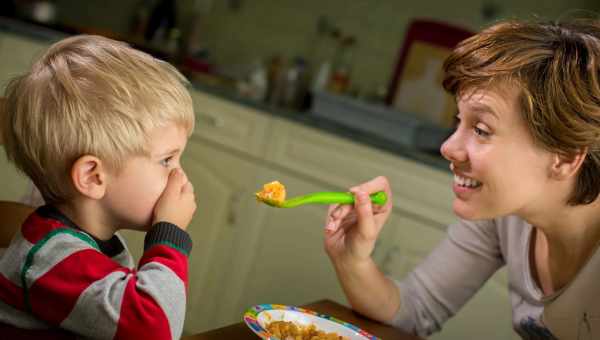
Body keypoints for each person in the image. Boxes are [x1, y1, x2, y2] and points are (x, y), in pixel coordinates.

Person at [324, 18, 600, 340]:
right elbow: (415, 309)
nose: (448, 148)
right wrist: (352, 259)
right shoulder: (506, 215)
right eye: (459, 121)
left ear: (565, 157)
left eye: (481, 130)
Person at [0, 34, 196, 339]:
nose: (179, 177)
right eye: (167, 160)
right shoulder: (53, 259)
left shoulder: (91, 241)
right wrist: (169, 236)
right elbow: (155, 330)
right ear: (93, 177)